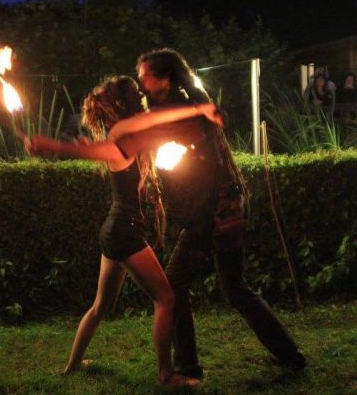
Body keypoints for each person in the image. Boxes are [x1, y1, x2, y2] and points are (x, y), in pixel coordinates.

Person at [113, 48, 306, 380]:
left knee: (171, 287)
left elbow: (157, 137)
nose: (141, 82)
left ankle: (187, 366)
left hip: (213, 213)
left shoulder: (185, 108)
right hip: (224, 207)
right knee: (235, 288)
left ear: (164, 77)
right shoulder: (188, 101)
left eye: (145, 75)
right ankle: (290, 355)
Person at [26, 75, 222, 390]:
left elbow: (158, 119)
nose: (142, 95)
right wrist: (51, 145)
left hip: (115, 230)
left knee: (101, 306)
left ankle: (72, 366)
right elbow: (95, 150)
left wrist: (198, 108)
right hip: (124, 233)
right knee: (166, 297)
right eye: (135, 93)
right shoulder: (121, 140)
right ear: (124, 104)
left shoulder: (126, 133)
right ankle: (165, 375)